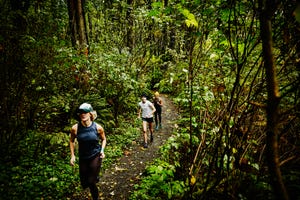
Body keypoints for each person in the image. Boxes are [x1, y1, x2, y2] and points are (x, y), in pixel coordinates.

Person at [70, 103, 107, 200]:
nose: (83, 114)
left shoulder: (98, 127)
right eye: (81, 113)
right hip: (83, 157)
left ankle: (95, 197)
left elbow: (104, 139)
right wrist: (73, 155)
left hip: (95, 155)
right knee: (84, 182)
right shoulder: (75, 128)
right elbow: (71, 141)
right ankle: (94, 177)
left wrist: (102, 151)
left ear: (90, 114)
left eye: (85, 112)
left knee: (91, 182)